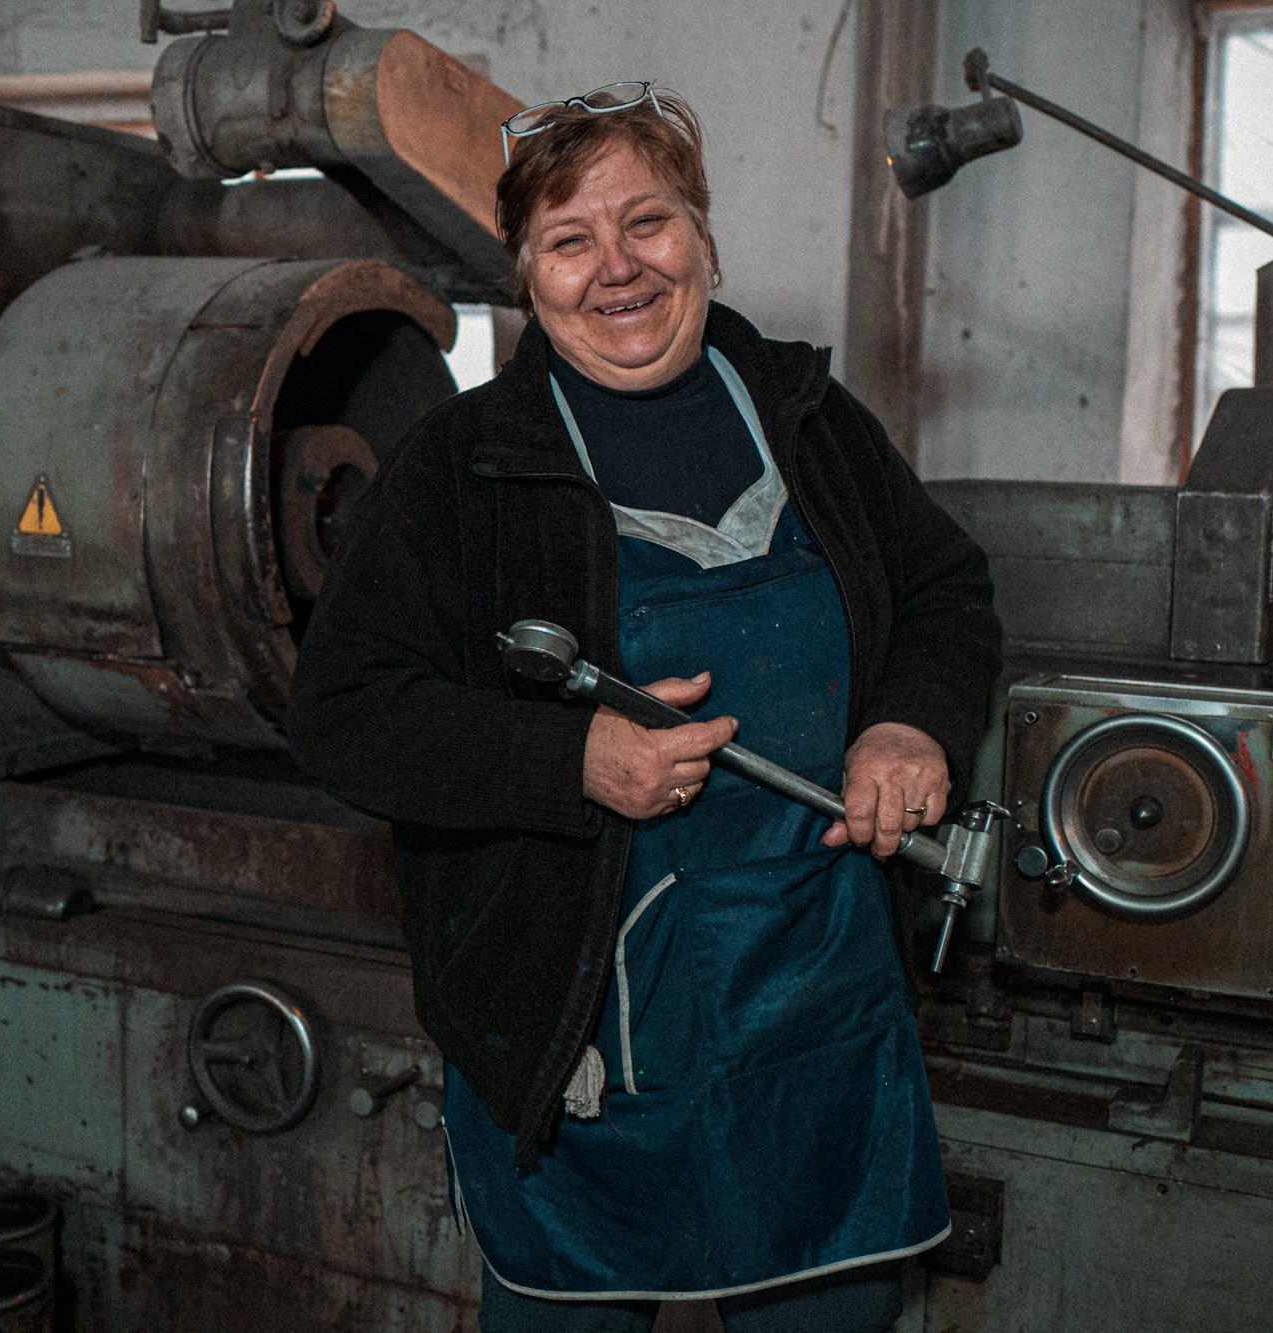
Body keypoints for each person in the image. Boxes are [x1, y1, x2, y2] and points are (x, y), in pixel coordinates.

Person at [287, 82, 1001, 1332]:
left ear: (702, 235)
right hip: (585, 1033)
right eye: (569, 241)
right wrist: (566, 757)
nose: (615, 268)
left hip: (817, 1011)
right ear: (524, 270)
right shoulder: (462, 469)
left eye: (648, 224)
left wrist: (910, 723)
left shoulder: (810, 422)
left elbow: (943, 588)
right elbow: (344, 710)